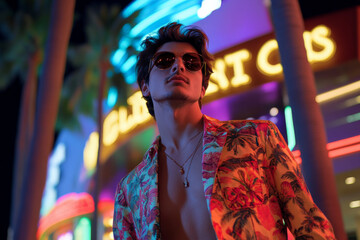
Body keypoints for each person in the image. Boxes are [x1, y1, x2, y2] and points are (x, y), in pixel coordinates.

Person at [113, 22, 335, 240]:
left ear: (202, 87)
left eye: (191, 62)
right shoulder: (130, 189)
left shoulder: (258, 138)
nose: (179, 66)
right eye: (164, 61)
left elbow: (311, 227)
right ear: (145, 86)